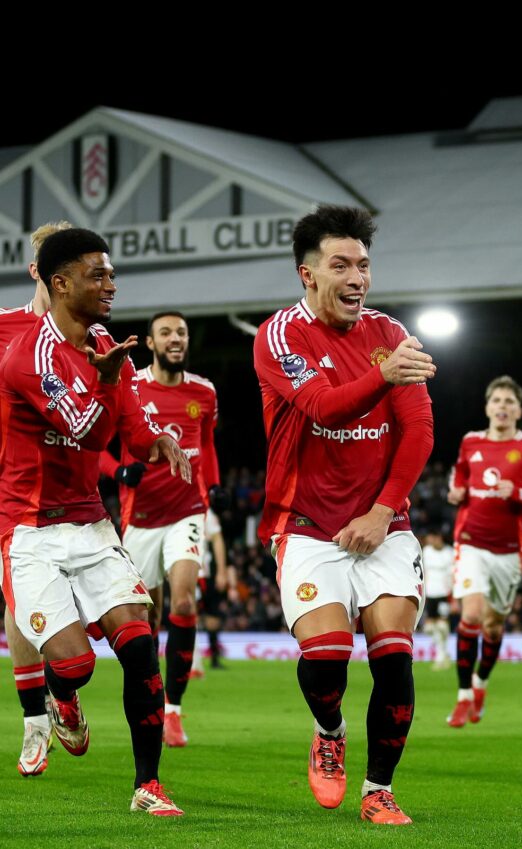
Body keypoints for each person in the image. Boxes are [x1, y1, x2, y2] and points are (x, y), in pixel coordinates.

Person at [253, 205, 436, 825]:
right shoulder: (279, 336)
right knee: (328, 654)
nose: (357, 276)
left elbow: (418, 432)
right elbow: (325, 409)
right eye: (341, 265)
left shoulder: (388, 332)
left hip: (382, 523)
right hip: (305, 522)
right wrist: (383, 375)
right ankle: (329, 729)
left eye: (364, 264)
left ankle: (378, 789)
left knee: (392, 653)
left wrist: (385, 511)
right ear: (307, 275)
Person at [0, 227, 191, 815]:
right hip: (29, 529)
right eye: (98, 274)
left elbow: (124, 428)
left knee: (139, 641)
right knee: (76, 663)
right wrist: (107, 380)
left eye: (111, 274)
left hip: (90, 523)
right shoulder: (25, 353)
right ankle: (61, 697)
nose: (111, 284)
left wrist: (153, 440)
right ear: (58, 282)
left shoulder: (106, 339)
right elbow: (85, 428)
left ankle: (148, 786)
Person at [100, 311, 227, 747]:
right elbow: (96, 444)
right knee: (148, 617)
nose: (176, 339)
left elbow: (206, 445)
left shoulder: (204, 391)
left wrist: (213, 486)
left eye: (182, 332)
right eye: (166, 333)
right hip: (141, 518)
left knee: (186, 600)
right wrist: (119, 472)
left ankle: (173, 708)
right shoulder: (129, 384)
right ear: (150, 343)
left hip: (188, 510)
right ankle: (153, 701)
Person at [446, 375, 522, 727]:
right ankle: (463, 695)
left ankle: (481, 684)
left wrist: (518, 493)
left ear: (519, 410)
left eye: (509, 401)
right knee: (472, 615)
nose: (502, 406)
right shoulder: (470, 442)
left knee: (493, 628)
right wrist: (455, 491)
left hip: (509, 551)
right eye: (497, 400)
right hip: (470, 542)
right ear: (487, 407)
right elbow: (459, 478)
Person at [0, 220, 71, 776]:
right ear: (38, 271)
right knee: (20, 607)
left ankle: (66, 687)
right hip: (18, 497)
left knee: (91, 616)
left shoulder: (92, 333)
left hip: (81, 498)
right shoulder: (4, 329)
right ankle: (34, 723)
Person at [189, 507, 238, 677]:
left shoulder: (207, 513)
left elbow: (217, 540)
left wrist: (221, 572)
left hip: (205, 575)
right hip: (189, 572)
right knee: (189, 615)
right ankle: (193, 663)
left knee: (212, 620)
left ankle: (211, 659)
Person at [421, 530, 454, 670]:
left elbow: (453, 575)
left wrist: (454, 597)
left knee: (442, 625)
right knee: (429, 627)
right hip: (429, 593)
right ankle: (443, 652)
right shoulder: (426, 551)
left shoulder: (449, 552)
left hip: (444, 594)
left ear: (439, 537)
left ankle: (441, 655)